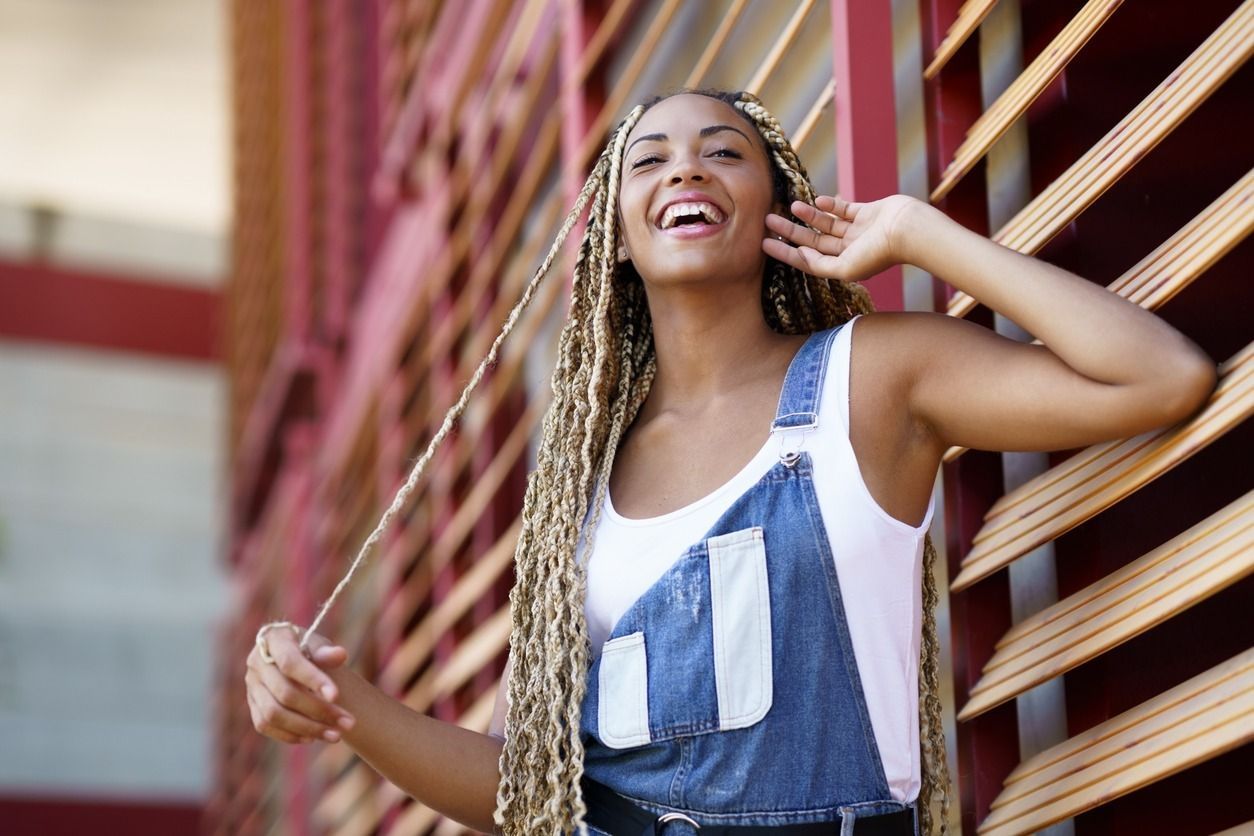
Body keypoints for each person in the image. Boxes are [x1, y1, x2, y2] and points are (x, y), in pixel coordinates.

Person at [243, 89, 1216, 835]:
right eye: (650, 160)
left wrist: (921, 235)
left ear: (775, 206)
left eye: (724, 154)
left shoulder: (872, 381)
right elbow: (523, 785)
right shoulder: (581, 493)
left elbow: (1160, 378)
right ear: (616, 240)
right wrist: (343, 707)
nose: (686, 172)